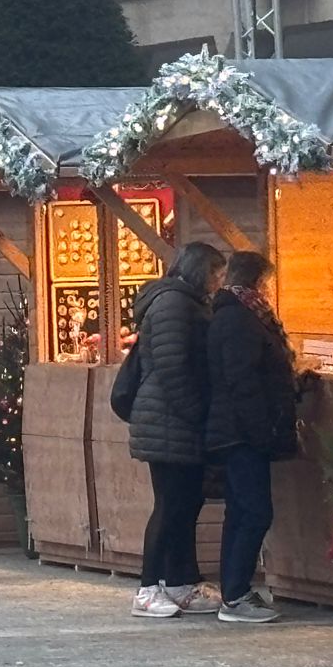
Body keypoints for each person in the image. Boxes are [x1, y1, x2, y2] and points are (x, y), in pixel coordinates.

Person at [126, 241, 226, 619]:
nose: (219, 282)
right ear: (202, 271)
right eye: (216, 274)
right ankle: (148, 587)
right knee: (168, 507)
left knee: (185, 504)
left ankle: (178, 581)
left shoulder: (185, 302)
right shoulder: (172, 304)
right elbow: (173, 368)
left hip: (174, 422)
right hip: (168, 422)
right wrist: (196, 412)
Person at [205, 251, 300, 625]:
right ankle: (235, 594)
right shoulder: (238, 319)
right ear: (257, 281)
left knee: (241, 511)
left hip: (238, 430)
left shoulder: (235, 315)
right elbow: (242, 380)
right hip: (241, 432)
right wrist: (262, 430)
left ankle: (234, 589)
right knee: (254, 511)